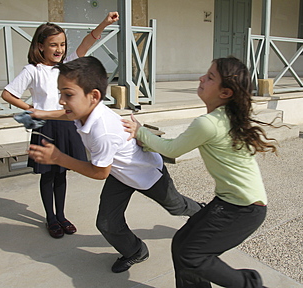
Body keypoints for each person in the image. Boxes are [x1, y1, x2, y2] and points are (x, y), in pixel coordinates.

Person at [27, 56, 202, 273]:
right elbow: (67, 113)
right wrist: (42, 113)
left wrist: (59, 158)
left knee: (176, 206)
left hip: (146, 174)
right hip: (120, 174)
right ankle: (135, 251)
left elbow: (99, 172)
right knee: (107, 222)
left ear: (94, 96)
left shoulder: (103, 131)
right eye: (60, 93)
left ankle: (202, 213)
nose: (61, 100)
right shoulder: (83, 110)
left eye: (68, 94)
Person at [122, 56, 275, 288]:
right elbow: (174, 144)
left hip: (243, 209)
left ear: (225, 93)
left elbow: (173, 149)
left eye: (210, 77)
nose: (201, 78)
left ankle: (250, 284)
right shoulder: (224, 118)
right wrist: (148, 141)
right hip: (233, 202)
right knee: (182, 244)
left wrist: (140, 132)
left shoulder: (209, 123)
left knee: (191, 255)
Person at [1, 12, 119, 239]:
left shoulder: (67, 66)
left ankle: (62, 215)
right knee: (48, 175)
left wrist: (104, 23)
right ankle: (50, 217)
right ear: (40, 46)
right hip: (45, 127)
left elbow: (88, 42)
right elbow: (7, 93)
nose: (59, 49)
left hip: (66, 124)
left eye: (62, 44)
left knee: (62, 172)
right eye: (53, 44)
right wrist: (30, 109)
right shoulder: (32, 70)